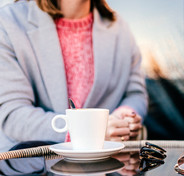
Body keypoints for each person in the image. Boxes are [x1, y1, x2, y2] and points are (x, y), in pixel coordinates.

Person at [0, 0, 148, 152]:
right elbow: (13, 115)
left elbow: (135, 94)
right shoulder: (9, 21)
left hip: (107, 167)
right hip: (34, 166)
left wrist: (125, 116)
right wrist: (90, 132)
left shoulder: (120, 28)